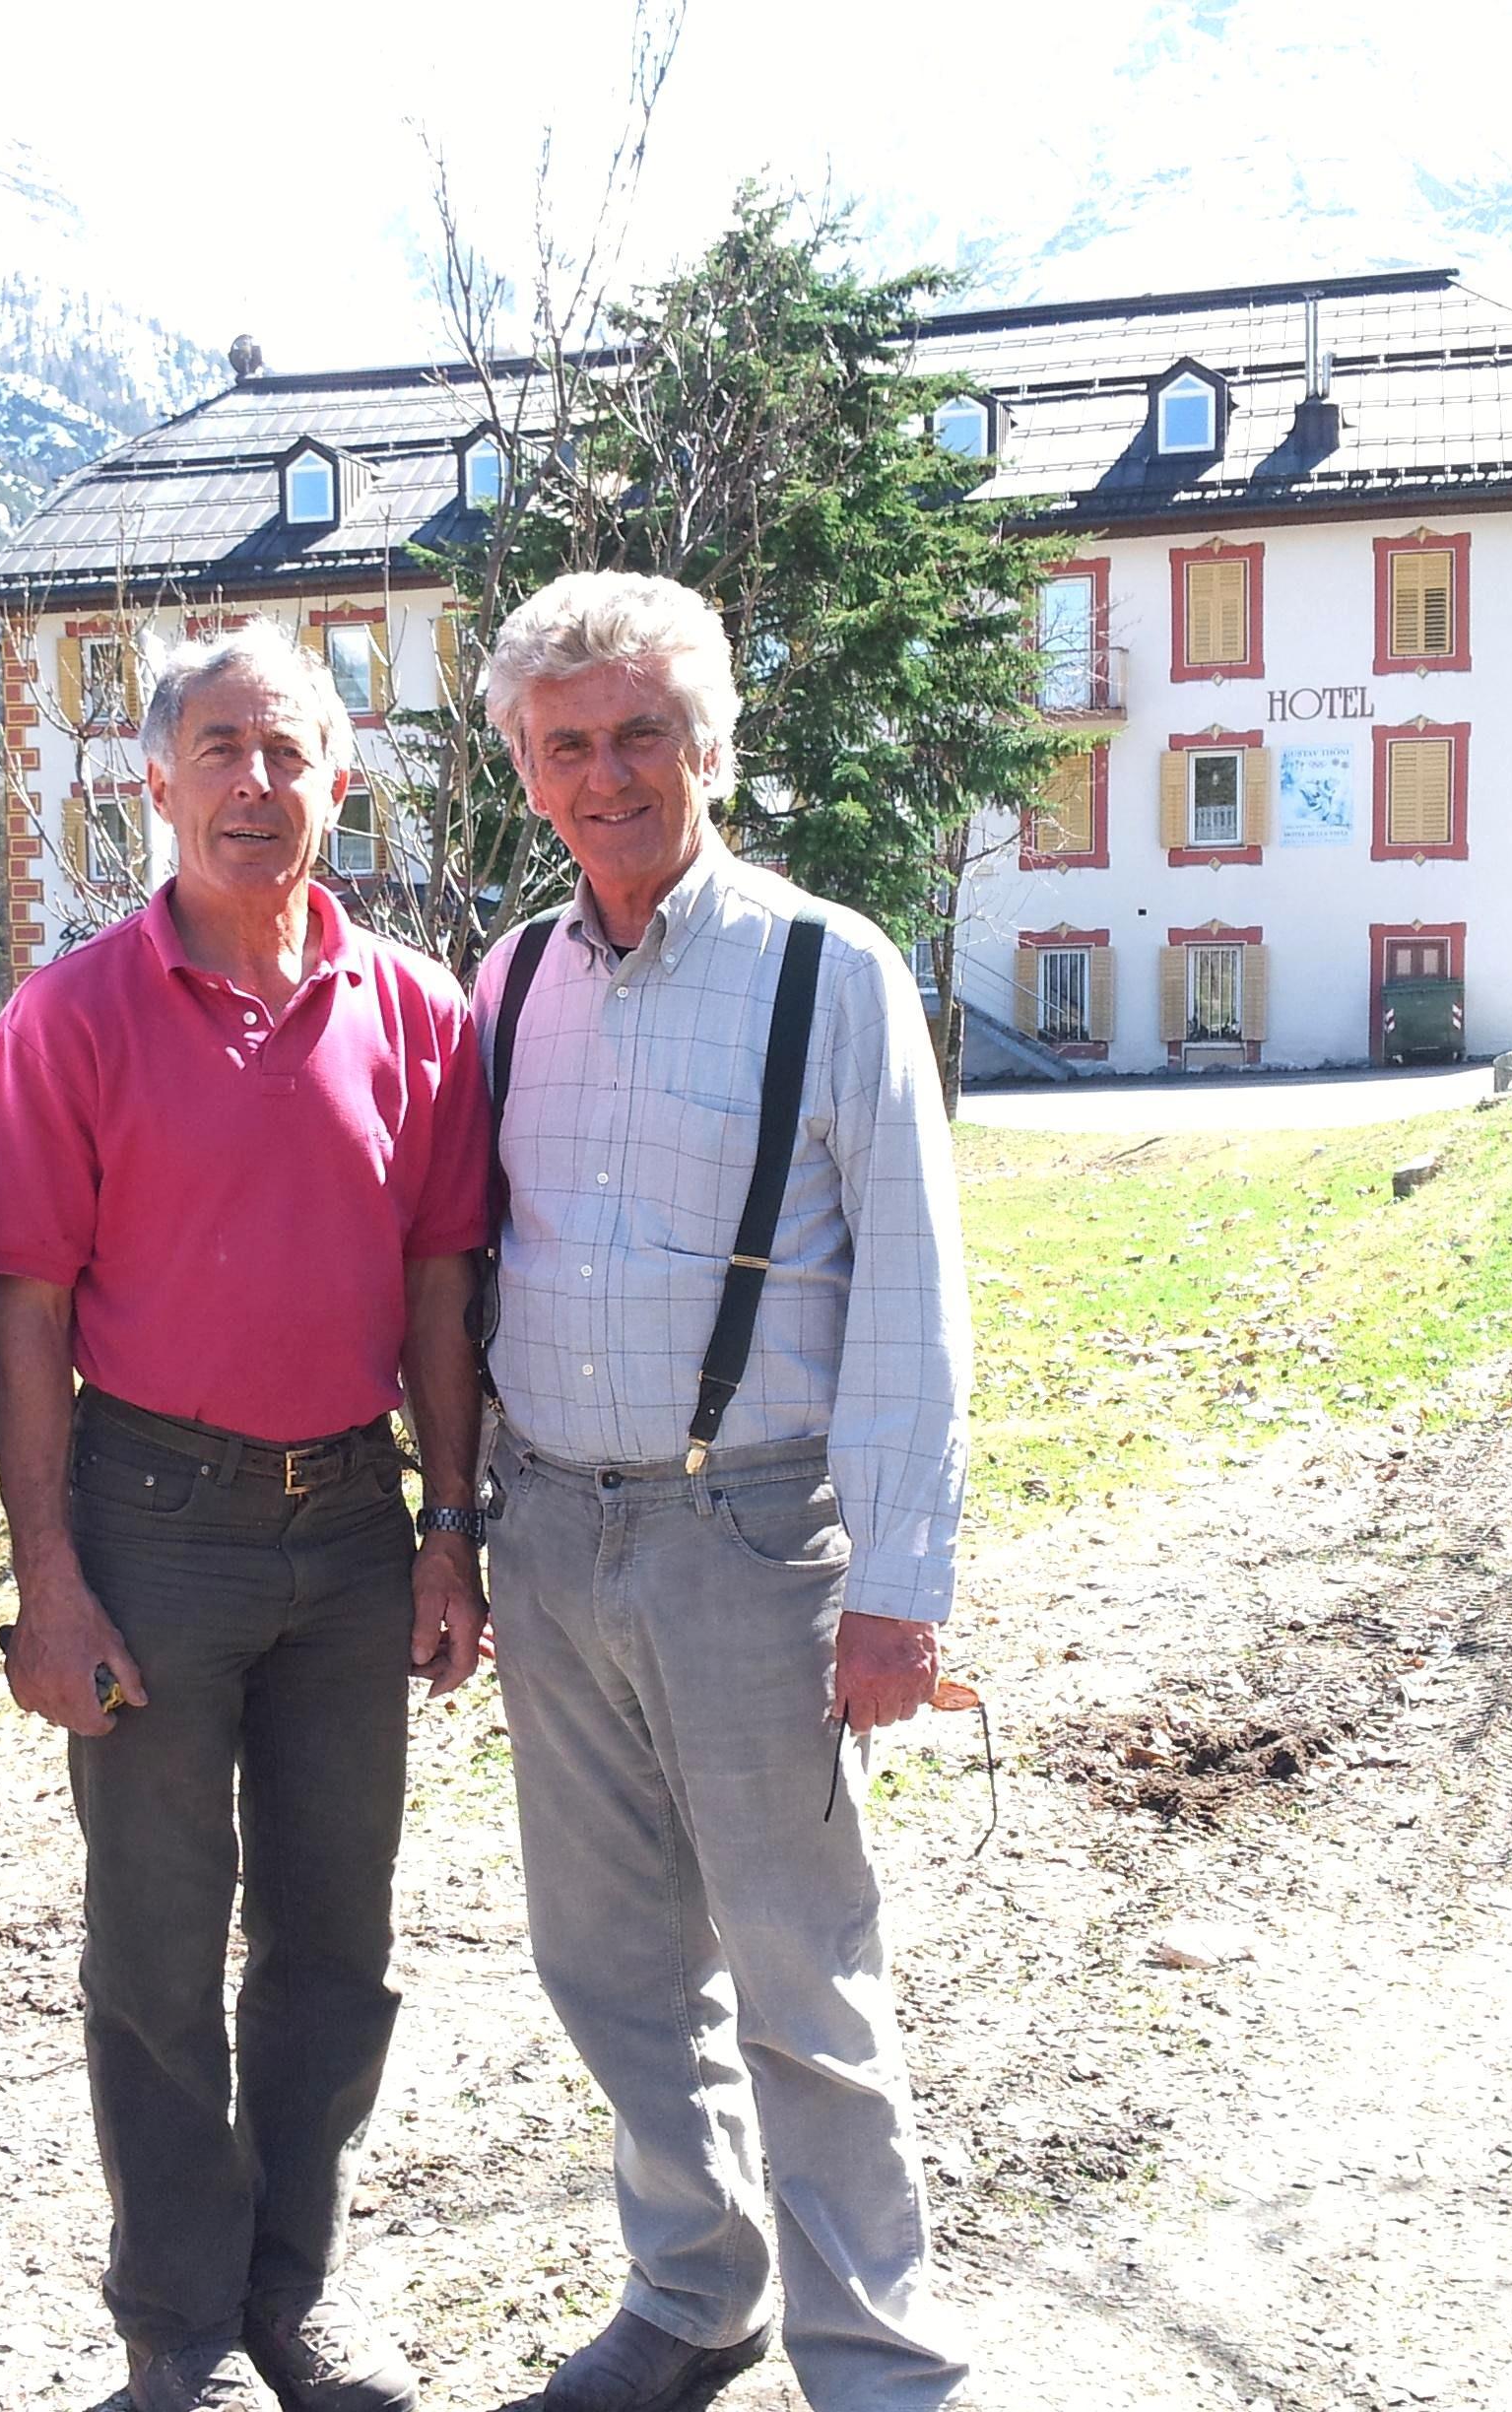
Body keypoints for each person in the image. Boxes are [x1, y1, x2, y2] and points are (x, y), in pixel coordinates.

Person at [0, 620, 491, 2412]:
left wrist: (450, 1527)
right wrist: (50, 1581)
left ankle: (295, 2295)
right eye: (221, 752)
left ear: (339, 780)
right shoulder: (73, 1016)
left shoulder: (417, 1010)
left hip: (352, 1524)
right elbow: (28, 1310)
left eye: (288, 754)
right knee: (156, 1943)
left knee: (338, 1934)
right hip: (152, 1521)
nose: (255, 786)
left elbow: (440, 1286)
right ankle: (178, 2327)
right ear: (156, 782)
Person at [470, 571, 978, 2412]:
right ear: (526, 770)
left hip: (753, 1536)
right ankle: (695, 2292)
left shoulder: (830, 971)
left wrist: (900, 1588)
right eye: (567, 744)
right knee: (607, 1962)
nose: (606, 775)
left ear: (711, 746)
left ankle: (880, 2362)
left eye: (642, 734)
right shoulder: (508, 982)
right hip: (548, 1531)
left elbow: (912, 1292)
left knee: (800, 1977)